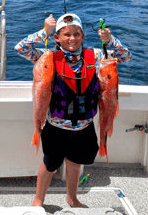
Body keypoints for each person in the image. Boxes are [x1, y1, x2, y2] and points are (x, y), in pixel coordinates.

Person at [14, 13, 131, 208]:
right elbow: (21, 48)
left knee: (75, 164)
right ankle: (38, 199)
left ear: (83, 36)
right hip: (55, 126)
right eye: (66, 34)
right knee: (50, 164)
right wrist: (44, 32)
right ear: (57, 38)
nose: (72, 38)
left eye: (77, 34)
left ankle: (72, 198)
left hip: (84, 127)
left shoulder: (95, 56)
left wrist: (110, 40)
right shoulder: (48, 57)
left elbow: (125, 56)